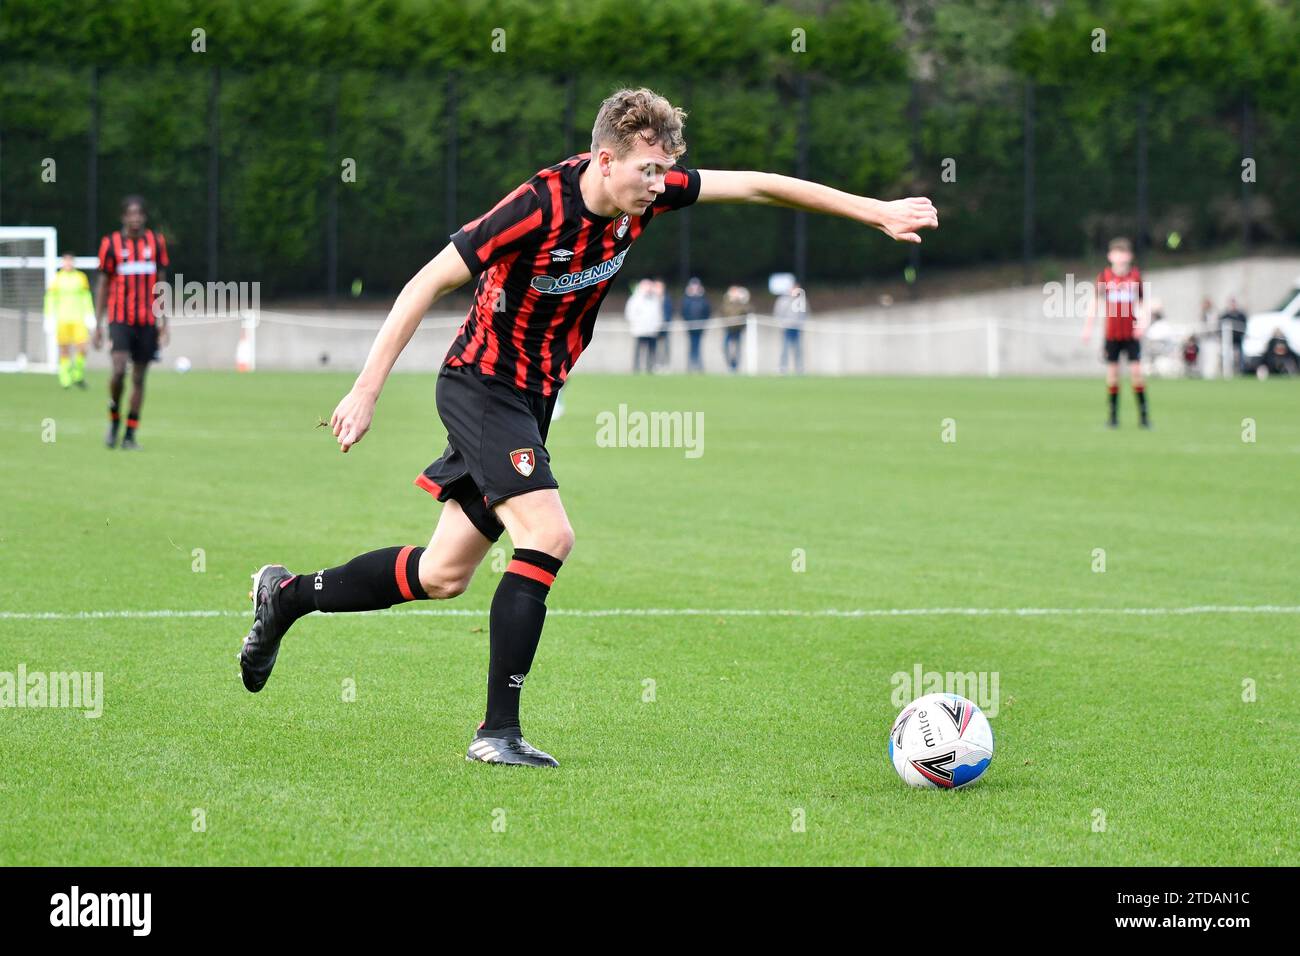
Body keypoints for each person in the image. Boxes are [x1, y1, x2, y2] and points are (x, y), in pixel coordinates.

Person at [238, 87, 937, 767]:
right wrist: (367, 389)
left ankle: (288, 596)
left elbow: (758, 185)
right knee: (548, 535)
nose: (657, 184)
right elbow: (427, 281)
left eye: (665, 170)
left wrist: (872, 210)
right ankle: (497, 732)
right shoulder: (537, 204)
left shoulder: (649, 194)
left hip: (531, 400)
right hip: (481, 386)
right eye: (645, 170)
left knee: (443, 572)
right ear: (604, 159)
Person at [93, 195, 170, 449]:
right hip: (120, 318)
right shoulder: (111, 244)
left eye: (139, 213)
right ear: (123, 217)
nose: (135, 218)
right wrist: (98, 324)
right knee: (117, 371)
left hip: (146, 320)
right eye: (131, 213)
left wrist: (164, 322)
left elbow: (160, 283)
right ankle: (114, 416)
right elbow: (103, 284)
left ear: (144, 217)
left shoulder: (156, 243)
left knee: (139, 378)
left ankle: (129, 435)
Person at [1081, 237, 1149, 428]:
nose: (1120, 257)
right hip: (1112, 334)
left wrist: (1142, 323)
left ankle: (1143, 417)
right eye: (1116, 254)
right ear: (1110, 256)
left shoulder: (1135, 276)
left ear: (1129, 256)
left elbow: (1142, 303)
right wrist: (1087, 327)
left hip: (1131, 333)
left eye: (1123, 253)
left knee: (1136, 372)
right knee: (1113, 374)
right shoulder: (1104, 276)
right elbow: (1095, 302)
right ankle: (1112, 418)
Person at [44, 252, 94, 389]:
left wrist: (90, 314)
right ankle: (65, 377)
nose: (68, 264)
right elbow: (50, 299)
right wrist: (49, 317)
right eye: (66, 261)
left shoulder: (81, 277)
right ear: (62, 262)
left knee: (83, 347)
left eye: (70, 261)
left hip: (78, 319)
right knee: (64, 348)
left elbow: (86, 297)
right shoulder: (57, 279)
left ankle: (77, 374)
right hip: (62, 319)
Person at [625, 278, 662, 372]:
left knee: (651, 350)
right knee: (638, 350)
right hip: (640, 330)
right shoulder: (635, 299)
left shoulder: (655, 299)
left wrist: (657, 326)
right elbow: (630, 313)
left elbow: (658, 314)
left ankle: (650, 367)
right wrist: (636, 324)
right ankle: (636, 367)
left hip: (652, 330)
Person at [776, 280, 807, 374]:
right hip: (786, 328)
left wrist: (803, 325)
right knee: (784, 349)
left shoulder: (801, 300)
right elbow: (778, 313)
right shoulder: (783, 300)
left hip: (797, 327)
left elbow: (805, 313)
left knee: (798, 350)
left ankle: (799, 368)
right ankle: (783, 368)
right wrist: (780, 325)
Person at [680, 277, 710, 372]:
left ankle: (699, 367)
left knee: (698, 347)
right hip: (690, 328)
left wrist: (703, 323)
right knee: (691, 347)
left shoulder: (703, 299)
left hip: (700, 328)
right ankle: (690, 367)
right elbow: (683, 312)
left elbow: (707, 312)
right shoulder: (686, 299)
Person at [720, 284, 750, 372]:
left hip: (738, 330)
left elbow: (747, 312)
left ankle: (735, 367)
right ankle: (730, 365)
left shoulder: (742, 303)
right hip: (728, 329)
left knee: (737, 349)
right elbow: (723, 313)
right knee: (725, 348)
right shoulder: (726, 303)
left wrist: (742, 300)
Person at [1218, 297, 1248, 375]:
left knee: (1240, 356)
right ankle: (1227, 371)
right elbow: (1220, 327)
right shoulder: (1225, 316)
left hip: (1238, 340)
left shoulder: (1241, 315)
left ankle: (1241, 371)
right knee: (1227, 356)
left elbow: (1244, 326)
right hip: (1227, 341)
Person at [655, 277, 673, 370]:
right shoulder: (652, 299)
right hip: (653, 328)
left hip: (664, 327)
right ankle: (655, 364)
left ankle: (665, 365)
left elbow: (669, 312)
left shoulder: (667, 298)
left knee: (665, 347)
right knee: (655, 347)